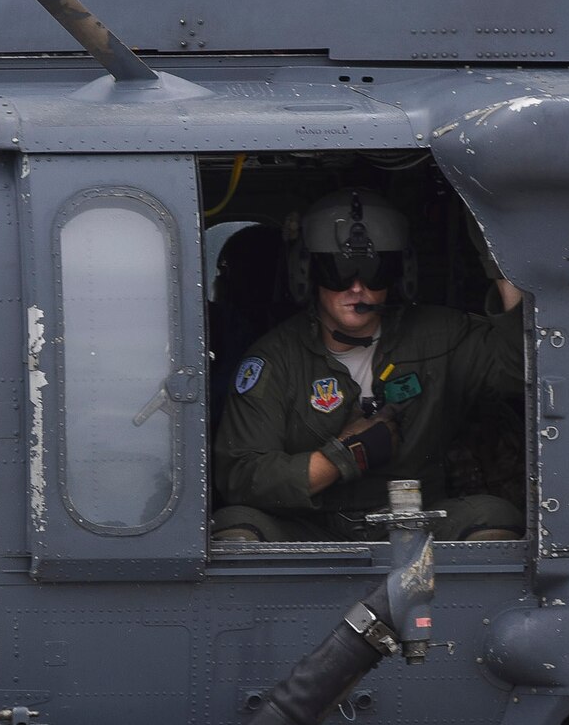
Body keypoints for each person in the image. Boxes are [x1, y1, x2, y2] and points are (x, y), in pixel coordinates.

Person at [213, 189, 526, 542]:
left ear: (398, 273)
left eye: (375, 271)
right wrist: (344, 457)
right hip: (309, 526)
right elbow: (240, 474)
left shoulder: (442, 336)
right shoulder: (275, 358)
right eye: (338, 270)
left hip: (416, 521)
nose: (357, 287)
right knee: (237, 530)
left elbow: (518, 370)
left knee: (492, 518)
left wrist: (502, 264)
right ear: (309, 273)